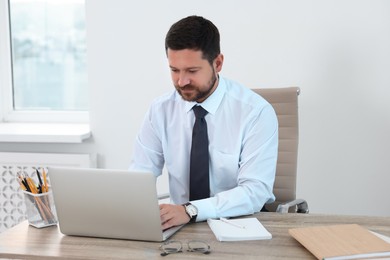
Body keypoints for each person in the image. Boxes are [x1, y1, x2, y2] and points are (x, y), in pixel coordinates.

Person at [129, 15, 278, 230]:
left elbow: (255, 191)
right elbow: (139, 175)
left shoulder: (255, 113)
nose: (181, 81)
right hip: (178, 228)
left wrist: (191, 210)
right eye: (174, 70)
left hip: (238, 225)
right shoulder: (160, 110)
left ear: (217, 63)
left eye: (192, 71)